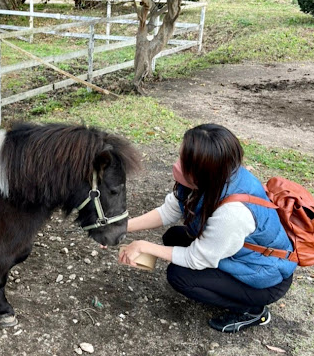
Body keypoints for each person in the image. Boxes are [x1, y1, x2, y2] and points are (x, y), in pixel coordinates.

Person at [118, 124, 296, 333]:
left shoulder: (233, 213)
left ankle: (252, 310)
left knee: (179, 276)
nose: (176, 165)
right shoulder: (215, 175)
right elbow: (168, 211)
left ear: (203, 170)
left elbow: (197, 259)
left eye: (184, 162)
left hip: (263, 278)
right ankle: (220, 287)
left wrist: (144, 246)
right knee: (174, 236)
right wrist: (120, 227)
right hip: (239, 254)